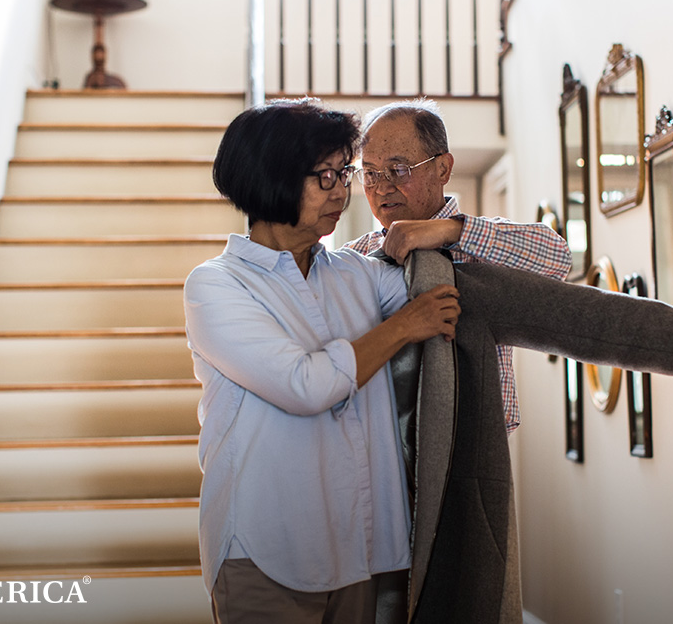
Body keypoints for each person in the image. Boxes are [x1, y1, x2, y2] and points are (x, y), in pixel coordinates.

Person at [184, 98, 460, 624]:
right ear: (273, 179)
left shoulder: (357, 273)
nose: (344, 190)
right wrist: (405, 325)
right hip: (262, 549)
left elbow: (456, 282)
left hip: (357, 546)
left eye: (344, 173)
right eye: (325, 176)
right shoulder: (216, 285)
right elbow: (304, 385)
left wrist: (451, 230)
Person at [345, 99, 572, 434]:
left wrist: (452, 230)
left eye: (399, 169)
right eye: (370, 173)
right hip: (379, 448)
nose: (381, 187)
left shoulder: (479, 243)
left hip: (475, 447)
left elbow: (558, 259)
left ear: (443, 169)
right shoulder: (357, 256)